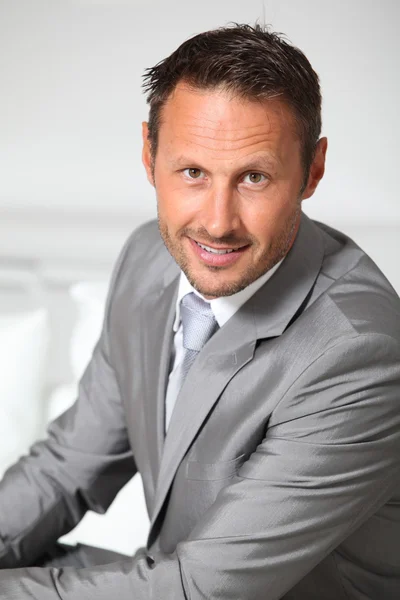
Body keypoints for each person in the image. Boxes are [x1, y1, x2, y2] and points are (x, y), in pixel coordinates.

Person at [0, 22, 399, 600]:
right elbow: (68, 468)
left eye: (254, 178)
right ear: (149, 155)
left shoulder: (360, 355)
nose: (217, 221)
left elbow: (200, 590)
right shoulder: (148, 261)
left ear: (312, 170)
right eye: (192, 172)